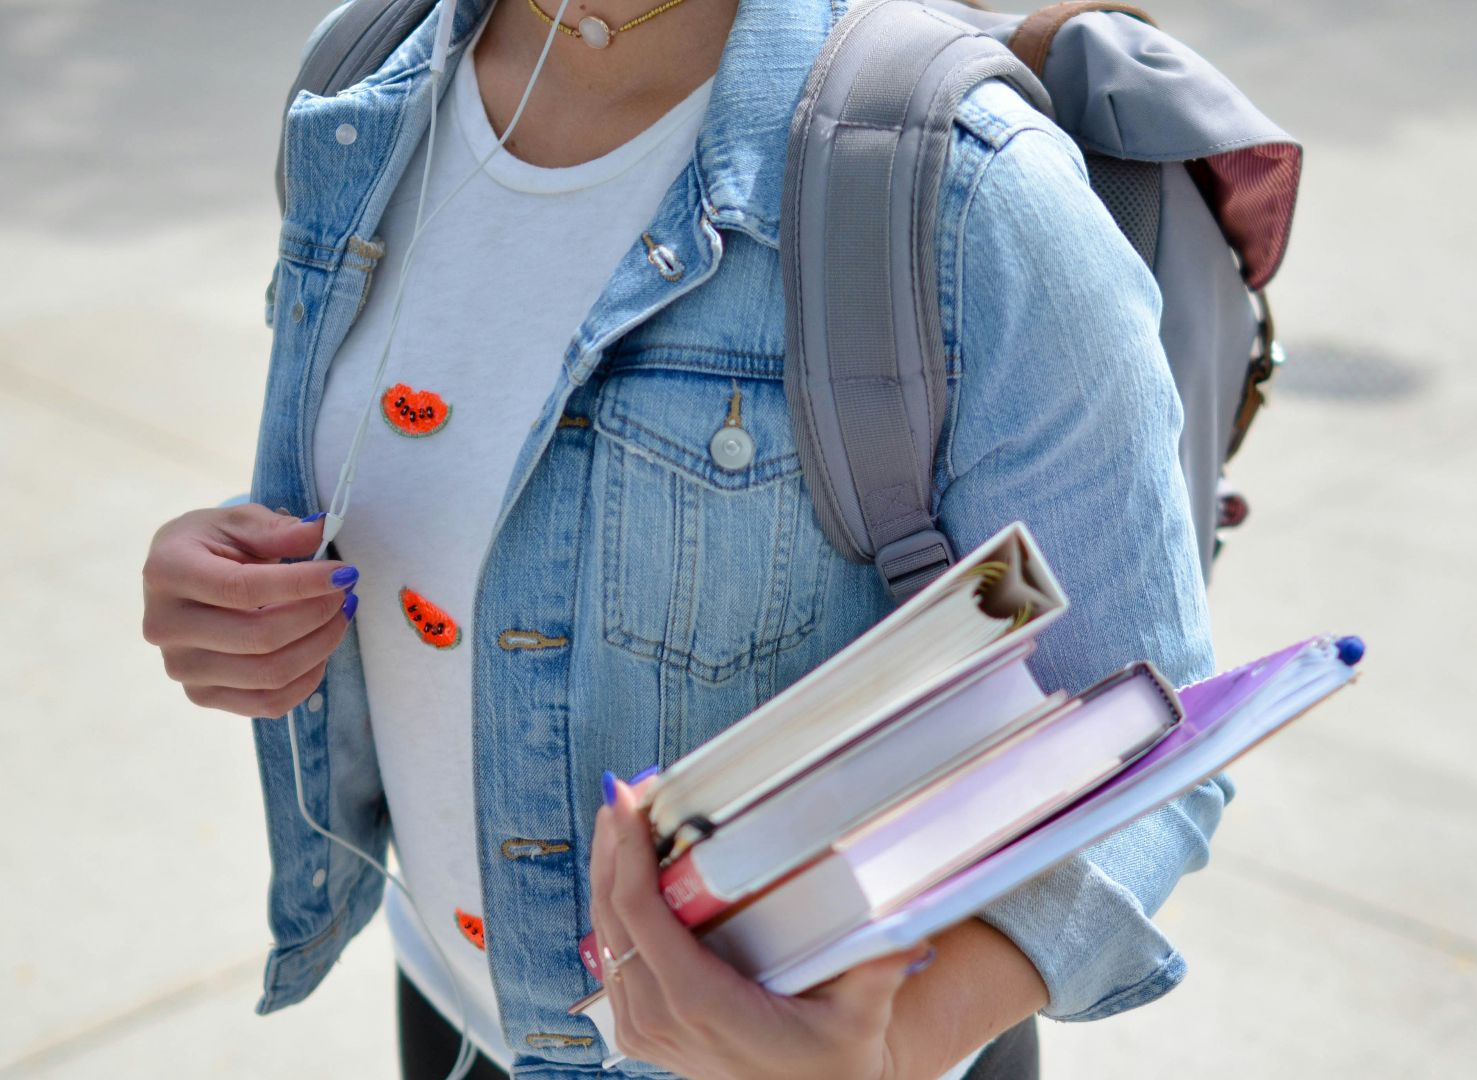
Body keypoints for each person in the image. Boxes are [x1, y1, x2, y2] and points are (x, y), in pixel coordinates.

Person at [138, 0, 1232, 1075]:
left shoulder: (967, 188)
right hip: (451, 1007)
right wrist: (233, 593)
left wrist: (898, 1046)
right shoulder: (366, 80)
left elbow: (1144, 731)